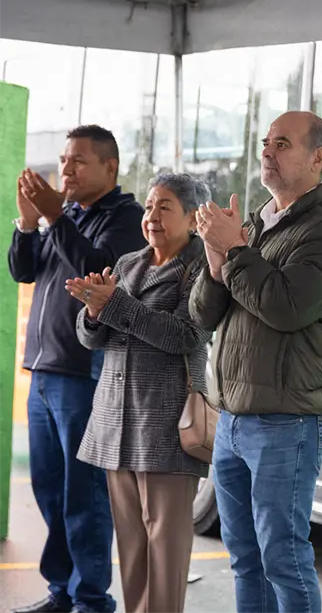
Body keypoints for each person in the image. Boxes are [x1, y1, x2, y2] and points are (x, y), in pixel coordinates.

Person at [188, 111, 322, 613]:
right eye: (267, 141)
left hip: (286, 423)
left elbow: (288, 307)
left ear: (317, 159)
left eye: (282, 143)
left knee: (283, 558)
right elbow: (203, 313)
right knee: (244, 557)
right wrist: (215, 257)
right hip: (233, 422)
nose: (267, 150)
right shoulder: (255, 224)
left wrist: (236, 251)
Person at [8, 125, 145, 613]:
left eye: (79, 161)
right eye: (64, 160)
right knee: (49, 489)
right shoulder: (64, 214)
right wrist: (28, 224)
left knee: (84, 495)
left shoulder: (125, 219)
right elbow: (26, 271)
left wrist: (51, 217)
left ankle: (92, 599)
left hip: (84, 376)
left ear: (110, 167)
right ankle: (62, 591)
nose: (65, 169)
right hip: (44, 375)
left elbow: (96, 269)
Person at [67, 173, 212, 613]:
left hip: (166, 425)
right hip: (116, 421)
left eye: (164, 207)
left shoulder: (203, 267)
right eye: (149, 206)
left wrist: (113, 305)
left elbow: (186, 335)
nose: (151, 216)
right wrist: (93, 313)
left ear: (192, 217)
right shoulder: (129, 263)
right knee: (131, 547)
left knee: (165, 550)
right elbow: (95, 338)